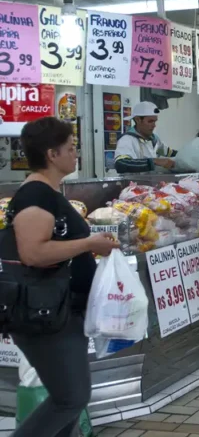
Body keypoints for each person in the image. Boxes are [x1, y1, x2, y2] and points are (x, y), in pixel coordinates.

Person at [10, 117, 120, 437]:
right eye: (71, 148)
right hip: (47, 314)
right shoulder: (35, 196)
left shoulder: (49, 193)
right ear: (51, 154)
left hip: (63, 310)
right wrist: (88, 244)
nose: (76, 154)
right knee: (70, 398)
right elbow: (33, 252)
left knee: (70, 397)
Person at [114, 101, 177, 173]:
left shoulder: (154, 139)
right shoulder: (127, 140)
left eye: (155, 121)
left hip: (150, 183)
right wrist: (154, 162)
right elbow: (121, 164)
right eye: (150, 121)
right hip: (132, 183)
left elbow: (170, 152)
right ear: (138, 120)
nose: (154, 125)